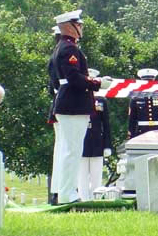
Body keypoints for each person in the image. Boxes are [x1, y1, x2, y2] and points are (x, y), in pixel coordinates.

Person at [51, 10, 111, 204]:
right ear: (70, 26)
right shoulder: (69, 49)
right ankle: (67, 193)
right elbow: (74, 78)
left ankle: (66, 191)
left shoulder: (64, 47)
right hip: (73, 105)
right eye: (79, 24)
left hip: (70, 104)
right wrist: (98, 83)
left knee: (71, 150)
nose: (82, 27)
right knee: (72, 150)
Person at [78, 92, 112, 201]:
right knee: (81, 176)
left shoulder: (100, 100)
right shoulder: (77, 97)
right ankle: (83, 200)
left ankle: (95, 199)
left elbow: (106, 124)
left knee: (96, 176)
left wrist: (107, 145)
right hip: (81, 141)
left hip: (97, 141)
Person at [127, 68, 158, 139]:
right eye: (146, 81)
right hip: (141, 132)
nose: (148, 83)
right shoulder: (136, 97)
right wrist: (131, 135)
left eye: (150, 81)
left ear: (154, 81)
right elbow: (132, 119)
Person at [48, 25, 62, 205]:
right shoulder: (60, 56)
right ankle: (59, 190)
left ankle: (58, 190)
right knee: (63, 150)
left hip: (60, 105)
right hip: (65, 105)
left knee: (62, 150)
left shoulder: (56, 55)